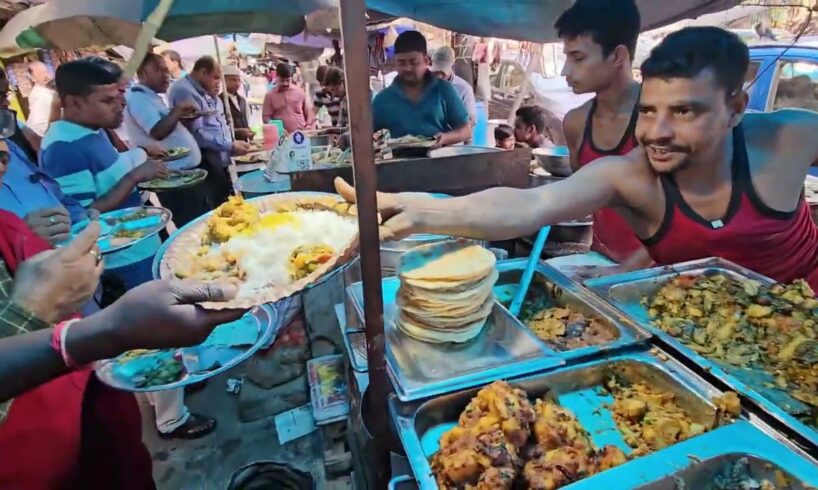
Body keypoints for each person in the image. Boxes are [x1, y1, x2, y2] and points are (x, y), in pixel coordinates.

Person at [335, 27, 818, 290]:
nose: (656, 131)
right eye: (648, 110)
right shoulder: (630, 175)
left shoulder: (789, 139)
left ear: (735, 108)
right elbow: (526, 207)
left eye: (685, 111)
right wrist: (424, 211)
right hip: (701, 345)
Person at [41, 57, 169, 289]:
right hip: (121, 264)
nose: (119, 105)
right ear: (74, 103)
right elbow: (83, 216)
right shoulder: (63, 147)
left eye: (118, 97)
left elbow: (107, 175)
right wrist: (135, 176)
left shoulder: (92, 130)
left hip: (140, 246)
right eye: (107, 100)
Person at [557, 0, 650, 271]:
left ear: (618, 56)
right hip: (599, 262)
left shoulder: (659, 122)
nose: (565, 70)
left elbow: (686, 221)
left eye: (578, 58)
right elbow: (585, 199)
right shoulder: (576, 122)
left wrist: (623, 271)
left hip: (658, 273)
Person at [124, 53, 210, 228]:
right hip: (173, 179)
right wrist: (177, 110)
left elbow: (165, 126)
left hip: (183, 176)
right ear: (143, 71)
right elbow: (157, 131)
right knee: (194, 227)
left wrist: (181, 116)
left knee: (202, 222)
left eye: (166, 70)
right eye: (159, 70)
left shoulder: (151, 96)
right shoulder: (138, 97)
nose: (166, 75)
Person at [168, 56, 250, 207]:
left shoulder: (204, 91)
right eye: (215, 78)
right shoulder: (184, 91)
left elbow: (216, 121)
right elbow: (197, 133)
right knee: (217, 204)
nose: (218, 82)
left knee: (227, 199)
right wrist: (229, 145)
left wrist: (232, 140)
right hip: (205, 158)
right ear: (203, 72)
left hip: (218, 157)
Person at [372, 31, 471, 148]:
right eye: (401, 62)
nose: (407, 68)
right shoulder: (383, 99)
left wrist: (444, 138)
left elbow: (465, 130)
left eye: (414, 62)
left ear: (426, 60)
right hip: (397, 164)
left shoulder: (443, 89)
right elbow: (366, 133)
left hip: (438, 162)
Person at [431, 46, 477, 131]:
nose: (439, 76)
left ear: (453, 66)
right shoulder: (424, 84)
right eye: (436, 72)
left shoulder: (464, 89)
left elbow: (471, 121)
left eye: (443, 73)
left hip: (454, 140)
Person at [262, 63, 314, 133]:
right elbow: (266, 118)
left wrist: (309, 125)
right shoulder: (270, 96)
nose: (285, 84)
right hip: (280, 137)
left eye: (288, 80)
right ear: (276, 77)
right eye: (282, 81)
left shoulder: (300, 92)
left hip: (301, 135)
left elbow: (309, 112)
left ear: (291, 78)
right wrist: (277, 128)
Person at [222, 64, 253, 142]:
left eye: (238, 80)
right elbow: (220, 128)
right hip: (229, 144)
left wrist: (249, 131)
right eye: (233, 80)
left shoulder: (242, 100)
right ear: (224, 81)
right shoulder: (219, 101)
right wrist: (238, 132)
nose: (237, 83)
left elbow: (247, 118)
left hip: (245, 143)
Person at [25, 61, 56, 136]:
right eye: (40, 73)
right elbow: (39, 124)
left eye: (46, 71)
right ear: (33, 78)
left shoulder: (49, 90)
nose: (46, 75)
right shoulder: (40, 95)